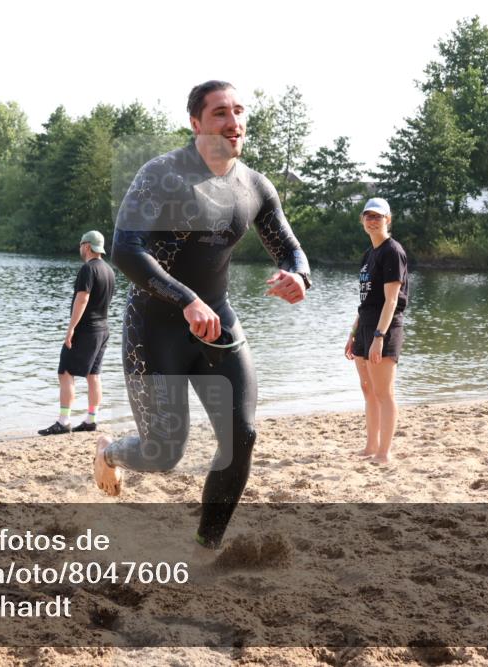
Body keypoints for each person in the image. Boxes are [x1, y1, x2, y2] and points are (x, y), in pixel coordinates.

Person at [91, 81, 311, 551]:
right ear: (196, 123)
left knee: (243, 436)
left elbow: (290, 250)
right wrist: (186, 299)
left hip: (218, 324)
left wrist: (299, 277)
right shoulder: (162, 175)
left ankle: (204, 546)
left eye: (238, 112)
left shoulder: (253, 186)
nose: (233, 123)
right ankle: (108, 451)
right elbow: (127, 250)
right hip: (156, 326)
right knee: (164, 452)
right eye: (219, 114)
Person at [343, 198, 408, 465]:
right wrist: (353, 333)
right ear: (362, 220)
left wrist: (379, 337)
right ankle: (371, 446)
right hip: (365, 325)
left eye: (377, 216)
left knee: (384, 392)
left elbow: (391, 301)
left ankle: (384, 453)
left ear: (387, 220)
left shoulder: (393, 251)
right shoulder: (368, 254)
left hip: (386, 327)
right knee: (368, 389)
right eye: (368, 216)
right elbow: (365, 301)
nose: (372, 220)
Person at [38, 231, 115, 435]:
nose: (80, 248)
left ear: (87, 246)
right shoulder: (109, 271)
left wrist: (71, 328)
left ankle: (64, 421)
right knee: (94, 374)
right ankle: (91, 419)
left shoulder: (88, 269)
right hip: (103, 329)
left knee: (65, 372)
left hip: (86, 329)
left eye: (81, 244)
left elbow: (82, 299)